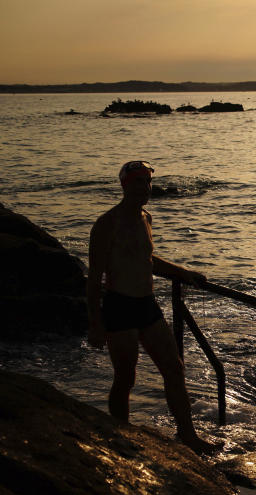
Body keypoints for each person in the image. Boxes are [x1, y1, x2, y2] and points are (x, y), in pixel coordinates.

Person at [87, 160, 217, 455]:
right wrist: (96, 324)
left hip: (147, 304)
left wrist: (182, 272)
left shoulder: (146, 217)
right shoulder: (108, 223)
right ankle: (120, 434)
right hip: (119, 305)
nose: (144, 188)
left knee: (174, 368)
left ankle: (188, 436)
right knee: (125, 377)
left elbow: (149, 260)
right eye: (137, 182)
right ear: (125, 186)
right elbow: (94, 278)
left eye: (147, 182)